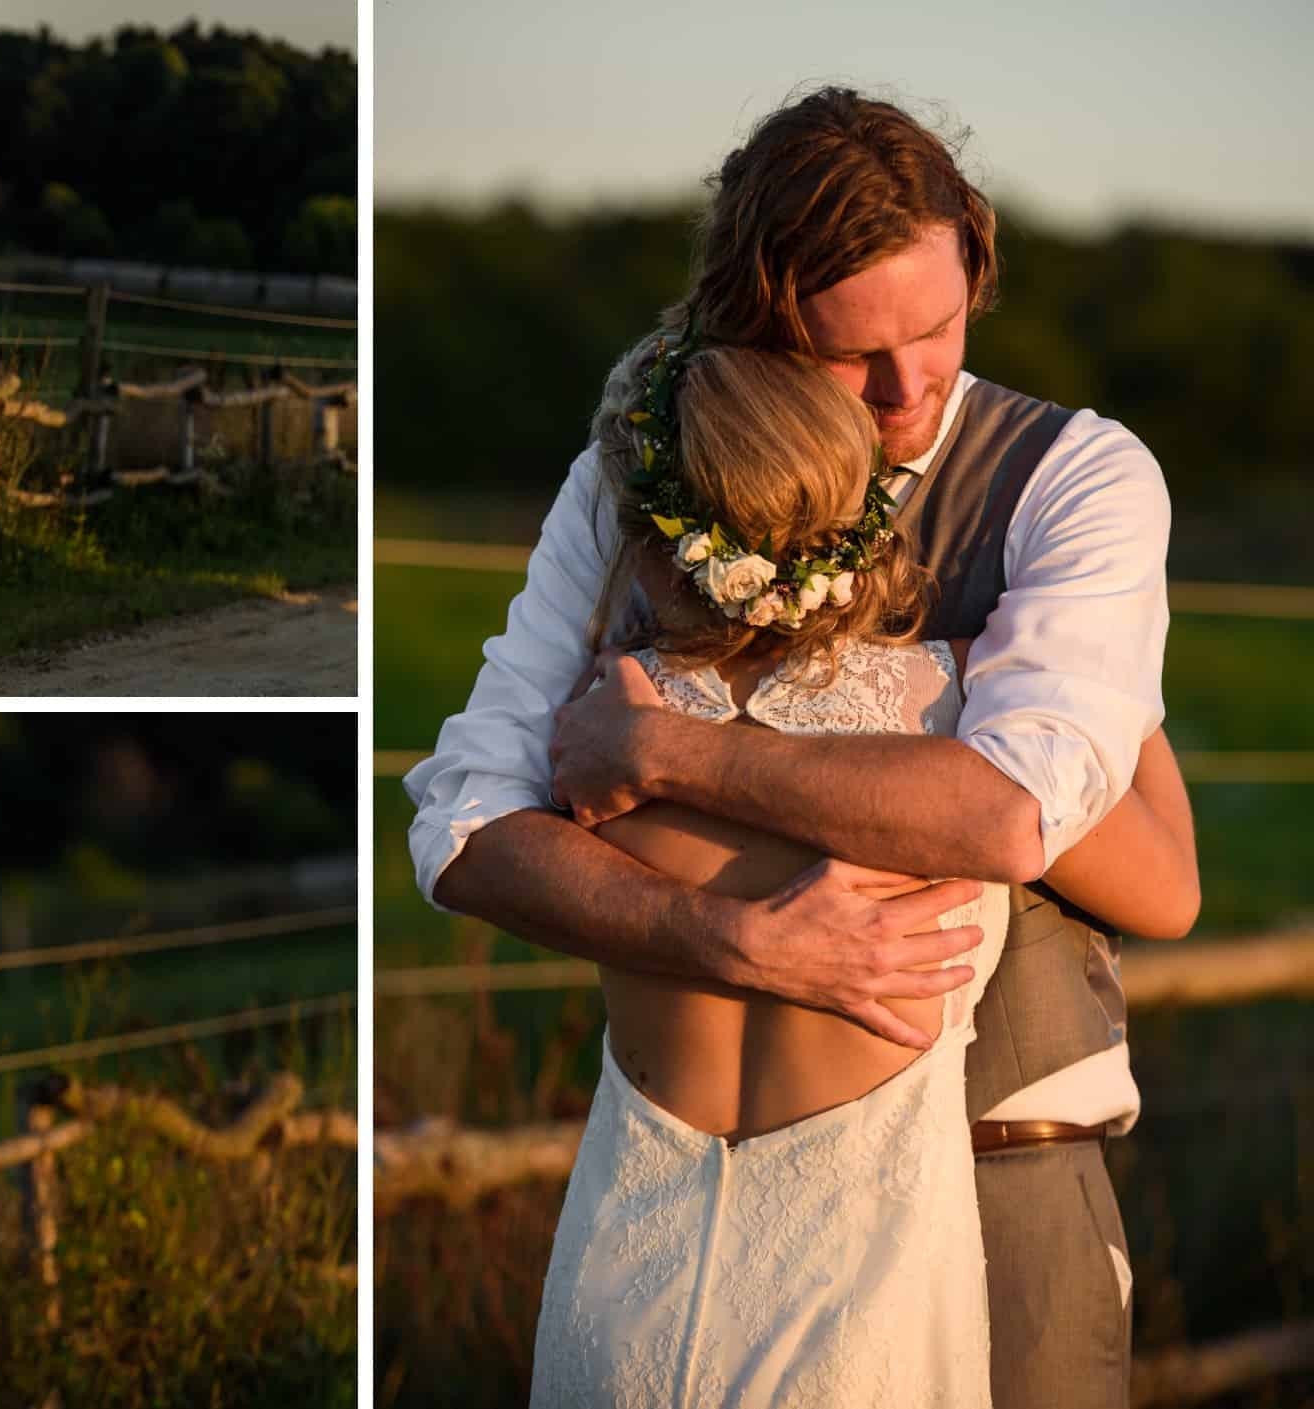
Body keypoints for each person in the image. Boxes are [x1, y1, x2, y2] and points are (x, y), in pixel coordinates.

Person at [405, 89, 1191, 1407]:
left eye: (938, 328)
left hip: (1010, 1152)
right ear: (753, 326)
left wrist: (662, 754)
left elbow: (1029, 816)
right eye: (849, 355)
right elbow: (462, 822)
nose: (907, 386)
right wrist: (734, 940)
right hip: (686, 1192)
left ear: (977, 267)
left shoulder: (1076, 479)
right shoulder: (627, 487)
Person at [518, 336, 1198, 1406]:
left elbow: (467, 833)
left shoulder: (591, 722)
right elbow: (1168, 887)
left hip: (621, 1305)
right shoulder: (956, 713)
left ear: (652, 543)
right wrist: (1099, 650)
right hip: (848, 1322)